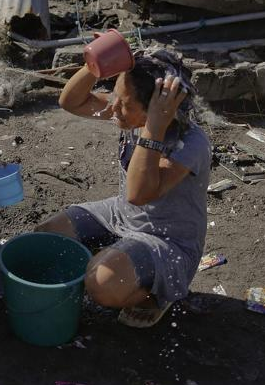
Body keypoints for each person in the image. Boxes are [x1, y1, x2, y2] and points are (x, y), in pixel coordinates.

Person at [36, 49, 211, 328]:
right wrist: (95, 65)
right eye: (114, 95)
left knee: (100, 284)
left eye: (124, 103)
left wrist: (152, 129)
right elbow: (70, 101)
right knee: (46, 238)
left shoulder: (190, 143)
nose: (113, 107)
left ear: (158, 110)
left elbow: (138, 194)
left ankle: (155, 295)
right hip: (121, 215)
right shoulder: (129, 112)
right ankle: (118, 260)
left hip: (168, 241)